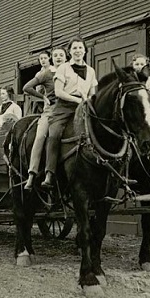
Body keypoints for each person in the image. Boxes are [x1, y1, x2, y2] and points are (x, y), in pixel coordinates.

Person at [41, 35, 98, 189]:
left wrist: (89, 102)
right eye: (74, 48)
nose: (78, 51)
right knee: (54, 134)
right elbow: (58, 92)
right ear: (70, 52)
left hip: (84, 108)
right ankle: (50, 173)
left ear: (85, 50)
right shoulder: (63, 68)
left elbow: (93, 92)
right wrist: (77, 100)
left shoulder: (91, 70)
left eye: (80, 47)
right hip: (64, 108)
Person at [23, 46, 67, 189]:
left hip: (70, 108)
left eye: (61, 55)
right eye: (56, 56)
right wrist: (43, 97)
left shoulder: (71, 72)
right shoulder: (47, 73)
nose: (59, 58)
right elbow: (27, 87)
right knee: (41, 136)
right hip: (51, 110)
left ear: (66, 57)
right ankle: (32, 173)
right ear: (52, 59)